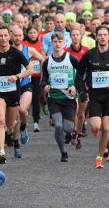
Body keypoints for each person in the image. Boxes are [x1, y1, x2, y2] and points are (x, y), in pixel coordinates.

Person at [0, 24, 34, 164]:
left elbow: (30, 70)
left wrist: (17, 76)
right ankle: (1, 152)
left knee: (10, 123)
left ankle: (13, 136)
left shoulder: (17, 53)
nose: (3, 38)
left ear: (9, 36)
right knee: (0, 120)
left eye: (6, 35)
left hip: (13, 92)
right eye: (1, 36)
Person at [75, 25, 109, 169]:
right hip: (95, 96)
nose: (102, 37)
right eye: (100, 35)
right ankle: (95, 130)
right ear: (96, 37)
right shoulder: (90, 55)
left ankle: (99, 158)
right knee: (96, 126)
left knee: (106, 128)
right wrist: (82, 91)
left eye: (105, 35)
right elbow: (79, 75)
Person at [41, 32, 80, 162]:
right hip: (54, 99)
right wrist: (45, 85)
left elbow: (81, 75)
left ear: (64, 43)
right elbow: (43, 79)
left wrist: (74, 86)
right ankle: (63, 152)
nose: (57, 44)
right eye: (55, 42)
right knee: (58, 125)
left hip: (69, 99)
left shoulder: (72, 59)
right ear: (52, 44)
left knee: (68, 128)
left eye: (59, 42)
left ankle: (69, 134)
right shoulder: (47, 62)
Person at [11, 26, 44, 146]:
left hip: (25, 84)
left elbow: (43, 60)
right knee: (13, 116)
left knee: (22, 110)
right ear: (11, 36)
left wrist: (43, 76)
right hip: (11, 86)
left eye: (20, 35)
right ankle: (13, 139)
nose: (18, 38)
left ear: (23, 36)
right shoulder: (7, 50)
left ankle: (24, 126)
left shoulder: (29, 50)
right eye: (15, 35)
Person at [23, 25, 44, 132]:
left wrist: (43, 76)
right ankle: (24, 121)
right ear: (27, 34)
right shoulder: (23, 45)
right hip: (25, 76)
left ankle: (36, 122)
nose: (32, 35)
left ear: (38, 34)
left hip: (37, 76)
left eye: (34, 33)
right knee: (24, 101)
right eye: (30, 33)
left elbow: (43, 59)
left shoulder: (41, 45)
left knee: (36, 99)